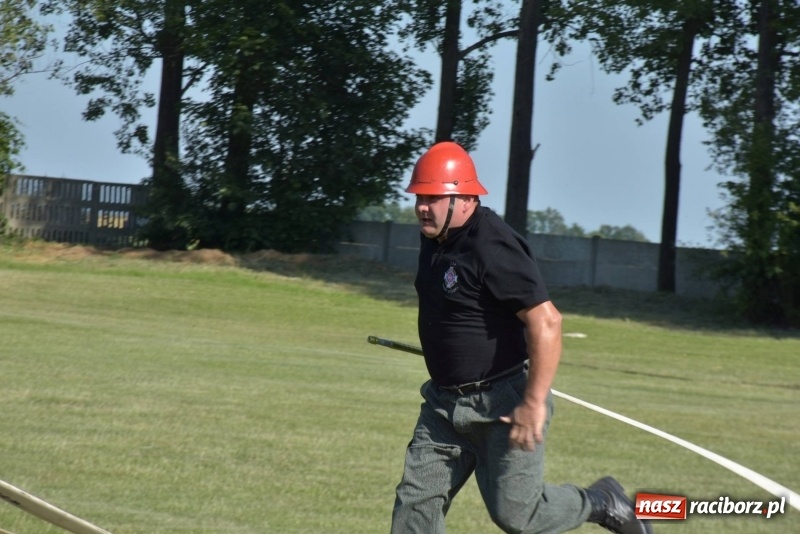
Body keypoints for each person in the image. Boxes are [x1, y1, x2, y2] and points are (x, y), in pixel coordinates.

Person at [391, 141, 652, 534]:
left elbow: (547, 322)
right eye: (419, 197)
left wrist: (533, 403)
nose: (422, 207)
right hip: (443, 405)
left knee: (517, 516)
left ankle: (601, 502)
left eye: (432, 197)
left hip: (503, 402)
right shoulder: (436, 238)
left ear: (464, 197)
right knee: (415, 505)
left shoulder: (494, 246)